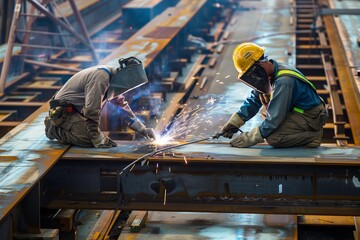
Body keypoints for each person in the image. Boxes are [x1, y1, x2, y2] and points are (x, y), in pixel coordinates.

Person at [221, 42, 328, 148]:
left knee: (274, 138)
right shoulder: (271, 71)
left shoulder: (284, 81)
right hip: (299, 110)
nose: (253, 77)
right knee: (266, 113)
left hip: (310, 116)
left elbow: (274, 119)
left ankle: (313, 136)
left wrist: (249, 138)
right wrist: (235, 122)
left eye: (252, 73)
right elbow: (255, 98)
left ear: (259, 66)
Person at [44, 57, 156, 148]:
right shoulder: (101, 78)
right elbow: (92, 110)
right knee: (88, 139)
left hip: (74, 112)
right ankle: (53, 129)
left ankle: (71, 129)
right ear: (125, 75)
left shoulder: (112, 79)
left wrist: (143, 129)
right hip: (63, 112)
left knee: (94, 136)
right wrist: (97, 139)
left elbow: (123, 109)